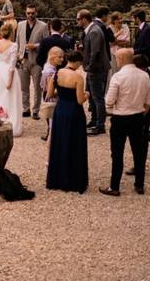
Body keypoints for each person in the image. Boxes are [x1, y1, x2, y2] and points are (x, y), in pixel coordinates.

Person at [99, 49, 150, 197]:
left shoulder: (118, 77)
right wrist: (141, 113)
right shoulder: (145, 76)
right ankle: (139, 185)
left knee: (117, 153)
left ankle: (114, 186)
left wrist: (112, 107)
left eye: (117, 59)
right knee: (139, 153)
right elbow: (149, 101)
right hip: (138, 117)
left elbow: (109, 101)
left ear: (121, 59)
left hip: (120, 118)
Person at [45, 50, 89, 193]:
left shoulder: (56, 74)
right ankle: (73, 179)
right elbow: (79, 100)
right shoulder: (78, 77)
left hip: (60, 110)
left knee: (60, 141)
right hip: (73, 112)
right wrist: (87, 94)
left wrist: (62, 92)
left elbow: (50, 94)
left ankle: (57, 177)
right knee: (74, 143)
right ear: (76, 62)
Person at [0, 22, 22, 137]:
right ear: (11, 32)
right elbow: (12, 65)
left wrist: (0, 65)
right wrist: (10, 81)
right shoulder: (13, 45)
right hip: (7, 72)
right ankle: (10, 122)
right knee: (11, 97)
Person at [78, 9, 109, 136]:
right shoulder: (91, 30)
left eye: (78, 19)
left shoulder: (94, 31)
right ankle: (94, 120)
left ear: (85, 19)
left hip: (96, 69)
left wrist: (89, 67)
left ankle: (100, 125)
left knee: (98, 98)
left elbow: (95, 52)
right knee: (92, 96)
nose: (77, 22)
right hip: (93, 68)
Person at [16, 5, 49, 118]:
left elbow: (46, 43)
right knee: (23, 87)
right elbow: (17, 42)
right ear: (25, 13)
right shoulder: (20, 25)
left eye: (32, 13)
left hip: (36, 61)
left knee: (37, 87)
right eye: (28, 13)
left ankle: (35, 110)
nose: (30, 15)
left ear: (36, 13)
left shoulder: (43, 26)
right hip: (22, 60)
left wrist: (34, 46)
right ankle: (26, 109)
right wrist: (17, 56)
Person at [38, 46, 66, 140]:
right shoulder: (51, 71)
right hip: (51, 97)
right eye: (60, 57)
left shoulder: (47, 66)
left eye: (63, 57)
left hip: (46, 94)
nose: (62, 59)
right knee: (52, 118)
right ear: (52, 57)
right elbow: (51, 90)